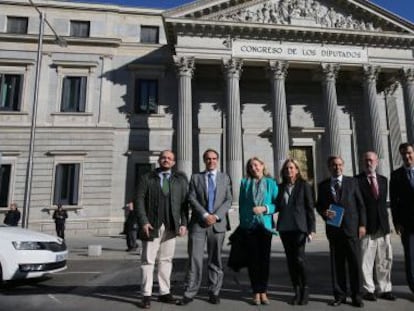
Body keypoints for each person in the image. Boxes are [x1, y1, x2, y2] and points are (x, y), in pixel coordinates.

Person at [177, 149, 232, 305]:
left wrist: (216, 216)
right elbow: (191, 198)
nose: (211, 161)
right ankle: (190, 292)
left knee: (215, 260)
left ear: (218, 160)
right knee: (194, 259)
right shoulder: (196, 177)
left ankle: (214, 291)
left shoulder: (224, 177)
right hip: (198, 224)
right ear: (204, 160)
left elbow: (228, 200)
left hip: (218, 224)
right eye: (208, 159)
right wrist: (205, 215)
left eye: (214, 158)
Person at [136, 150, 189, 309]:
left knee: (166, 260)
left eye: (169, 158)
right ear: (159, 160)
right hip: (151, 225)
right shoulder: (147, 178)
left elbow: (184, 204)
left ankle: (164, 292)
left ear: (173, 163)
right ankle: (146, 294)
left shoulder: (179, 180)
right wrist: (144, 221)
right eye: (163, 158)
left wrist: (184, 223)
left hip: (171, 225)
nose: (166, 160)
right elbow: (138, 200)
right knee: (148, 260)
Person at [316, 155, 366, 308]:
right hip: (334, 229)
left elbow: (361, 205)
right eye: (333, 165)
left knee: (354, 264)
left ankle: (357, 296)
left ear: (343, 166)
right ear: (329, 167)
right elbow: (319, 205)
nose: (337, 167)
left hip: (351, 229)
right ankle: (340, 295)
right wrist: (324, 212)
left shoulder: (353, 182)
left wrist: (362, 225)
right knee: (337, 265)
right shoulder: (323, 185)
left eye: (339, 165)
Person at [356, 151, 395, 301]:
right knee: (366, 259)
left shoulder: (384, 180)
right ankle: (368, 289)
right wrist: (361, 224)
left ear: (377, 162)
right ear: (362, 162)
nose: (369, 163)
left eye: (371, 160)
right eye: (366, 160)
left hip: (383, 226)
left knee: (385, 259)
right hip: (366, 227)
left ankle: (385, 288)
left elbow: (383, 204)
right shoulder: (357, 181)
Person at [238, 156, 278, 305]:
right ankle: (256, 292)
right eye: (250, 166)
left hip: (265, 227)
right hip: (250, 227)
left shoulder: (271, 183)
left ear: (262, 165)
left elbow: (277, 204)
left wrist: (265, 208)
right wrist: (243, 225)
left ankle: (264, 292)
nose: (253, 168)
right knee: (253, 261)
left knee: (264, 260)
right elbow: (242, 205)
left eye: (256, 165)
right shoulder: (244, 183)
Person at [276, 158, 315, 305]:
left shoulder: (304, 185)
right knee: (291, 261)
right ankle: (296, 291)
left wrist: (311, 229)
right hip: (285, 228)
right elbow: (276, 205)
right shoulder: (280, 187)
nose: (289, 171)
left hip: (300, 228)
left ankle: (305, 289)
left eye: (292, 168)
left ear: (297, 170)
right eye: (286, 169)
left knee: (299, 260)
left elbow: (310, 208)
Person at [390, 142, 414, 294]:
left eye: (409, 153)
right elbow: (394, 201)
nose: (407, 156)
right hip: (407, 223)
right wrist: (397, 222)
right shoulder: (396, 175)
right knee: (411, 258)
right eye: (404, 154)